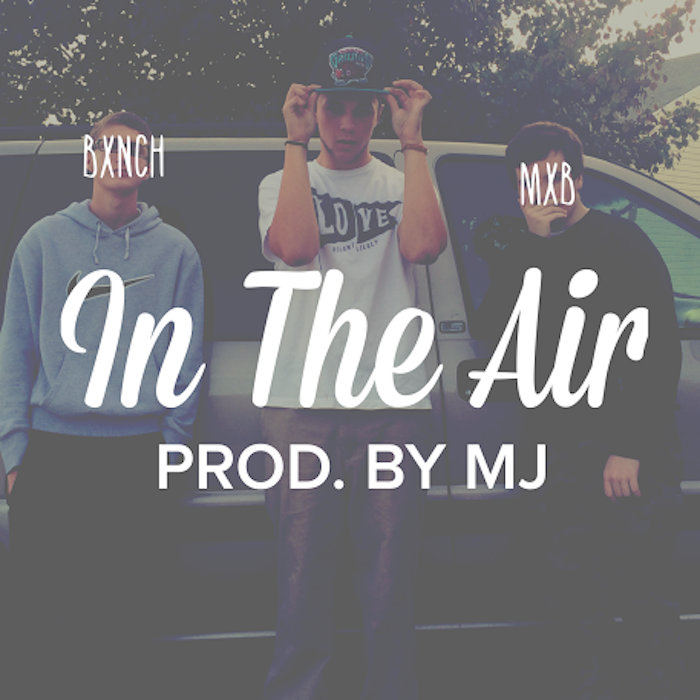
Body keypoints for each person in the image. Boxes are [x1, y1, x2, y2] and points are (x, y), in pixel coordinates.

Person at [257, 35, 447, 700]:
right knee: (301, 574)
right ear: (315, 110)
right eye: (333, 108)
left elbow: (423, 248)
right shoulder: (282, 181)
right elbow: (295, 248)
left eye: (360, 110)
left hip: (393, 407)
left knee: (390, 578)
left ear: (377, 114)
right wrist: (294, 143)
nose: (346, 123)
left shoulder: (403, 180)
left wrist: (413, 142)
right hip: (301, 404)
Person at [472, 121, 683, 699]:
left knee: (644, 601)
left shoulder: (623, 243)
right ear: (520, 187)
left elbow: (658, 350)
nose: (549, 190)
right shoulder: (516, 250)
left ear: (580, 177)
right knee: (570, 603)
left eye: (558, 174)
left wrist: (630, 448)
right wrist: (535, 248)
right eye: (534, 179)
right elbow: (495, 333)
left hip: (625, 457)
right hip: (556, 455)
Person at [0, 111, 205, 698]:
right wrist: (15, 455)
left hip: (137, 456)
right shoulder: (42, 241)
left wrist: (172, 448)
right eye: (109, 147)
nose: (122, 158)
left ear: (149, 164)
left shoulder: (176, 251)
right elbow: (14, 350)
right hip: (54, 456)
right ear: (89, 159)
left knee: (126, 625)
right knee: (45, 626)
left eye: (136, 149)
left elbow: (187, 357)